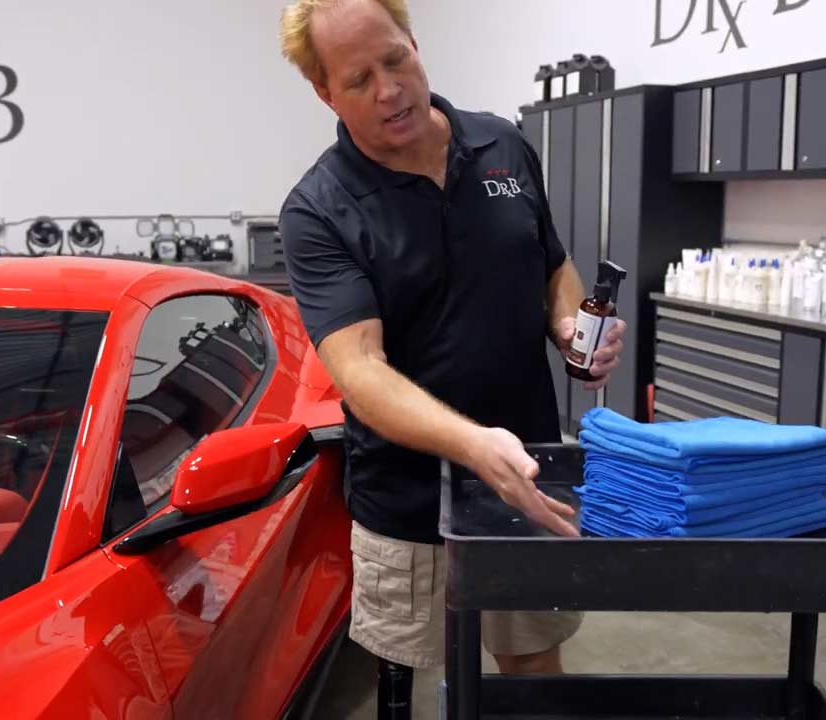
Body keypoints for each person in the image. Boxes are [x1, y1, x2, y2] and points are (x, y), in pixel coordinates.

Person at [276, 0, 626, 712]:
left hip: (528, 472)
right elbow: (361, 371)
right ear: (324, 94)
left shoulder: (501, 143)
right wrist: (472, 446)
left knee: (534, 670)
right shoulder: (319, 209)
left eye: (395, 59)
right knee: (416, 695)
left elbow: (552, 264)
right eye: (358, 79)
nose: (390, 90)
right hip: (407, 506)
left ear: (413, 41)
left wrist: (568, 326)